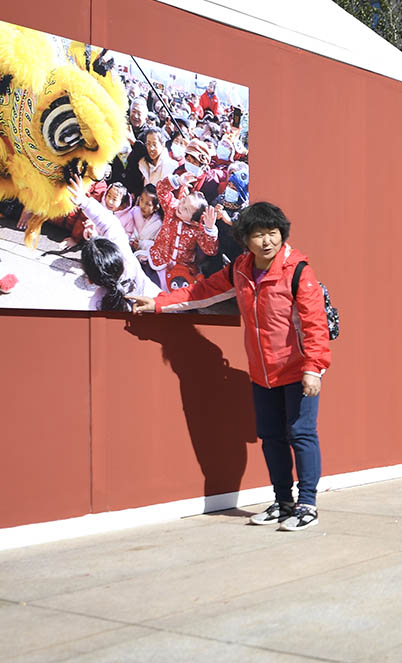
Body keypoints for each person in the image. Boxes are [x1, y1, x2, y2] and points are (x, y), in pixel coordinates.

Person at [129, 202, 331, 531]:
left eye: (273, 233)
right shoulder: (240, 268)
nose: (267, 241)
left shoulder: (297, 271)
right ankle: (283, 503)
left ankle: (307, 504)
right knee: (271, 437)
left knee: (301, 434)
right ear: (245, 239)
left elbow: (315, 325)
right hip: (262, 373)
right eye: (258, 235)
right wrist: (158, 303)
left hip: (299, 370)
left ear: (282, 234)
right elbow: (203, 291)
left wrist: (313, 367)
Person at [67, 175, 160, 310]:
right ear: (116, 252)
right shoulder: (128, 261)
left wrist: (84, 203)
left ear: (90, 281)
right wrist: (84, 202)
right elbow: (110, 224)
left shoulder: (97, 304)